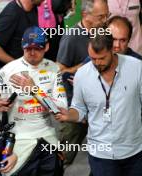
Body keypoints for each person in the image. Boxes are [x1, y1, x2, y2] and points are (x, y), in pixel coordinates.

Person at [55, 32, 142, 176]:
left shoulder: (136, 68)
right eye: (93, 58)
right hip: (100, 154)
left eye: (102, 58)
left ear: (113, 50)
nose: (97, 63)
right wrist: (69, 115)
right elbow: (79, 108)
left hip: (133, 151)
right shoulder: (82, 74)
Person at [0, 26, 67, 176]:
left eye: (38, 48)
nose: (32, 53)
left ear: (46, 47)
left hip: (47, 137)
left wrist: (34, 90)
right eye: (28, 48)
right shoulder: (7, 71)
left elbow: (59, 111)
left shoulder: (54, 69)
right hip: (18, 139)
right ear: (22, 46)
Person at [56, 0, 109, 165]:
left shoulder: (102, 32)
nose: (105, 20)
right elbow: (59, 72)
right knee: (64, 158)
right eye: (101, 16)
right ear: (86, 15)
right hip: (75, 107)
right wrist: (85, 66)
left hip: (98, 107)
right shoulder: (72, 37)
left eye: (107, 15)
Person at [0, 0, 66, 70]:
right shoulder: (12, 12)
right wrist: (19, 65)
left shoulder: (42, 9)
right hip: (15, 75)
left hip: (42, 72)